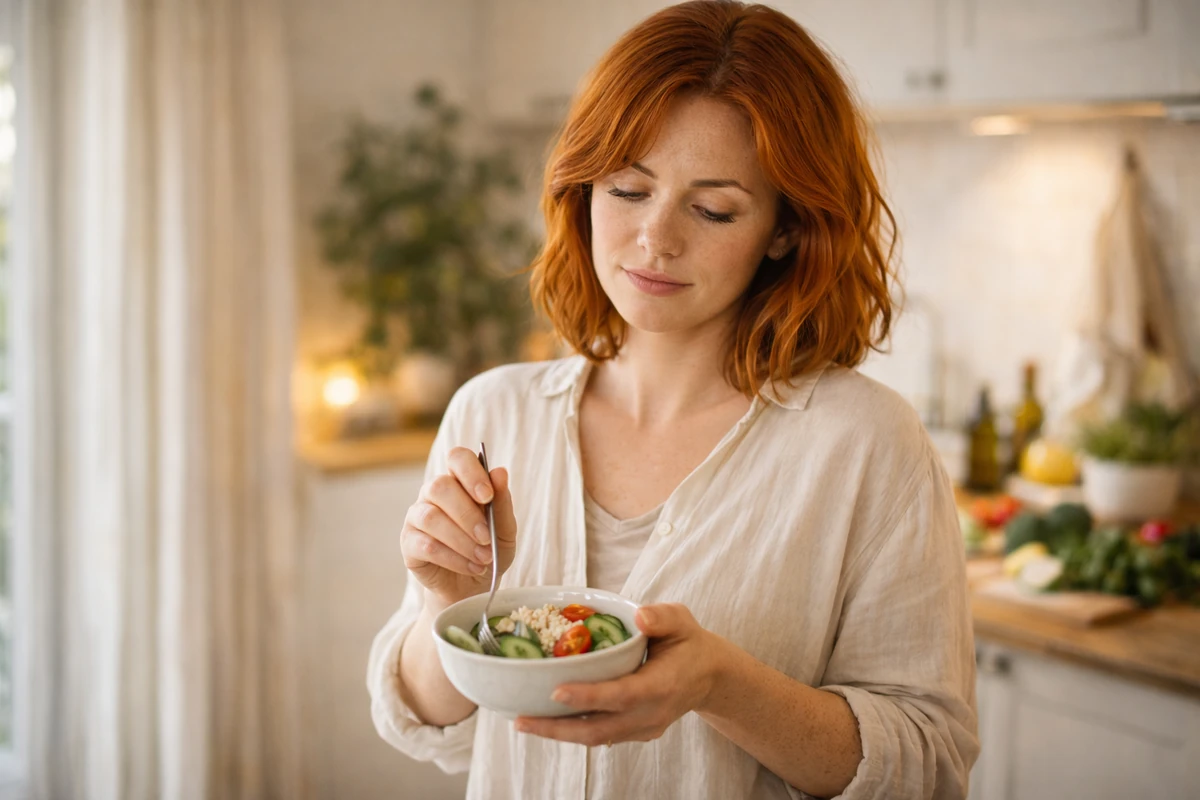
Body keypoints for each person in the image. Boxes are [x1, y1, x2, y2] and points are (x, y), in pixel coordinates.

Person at [367, 1, 979, 797]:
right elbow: (421, 716)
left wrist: (723, 686)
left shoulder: (866, 445)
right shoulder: (492, 414)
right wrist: (448, 610)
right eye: (627, 189)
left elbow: (927, 763)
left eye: (713, 208)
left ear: (786, 229)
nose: (656, 237)